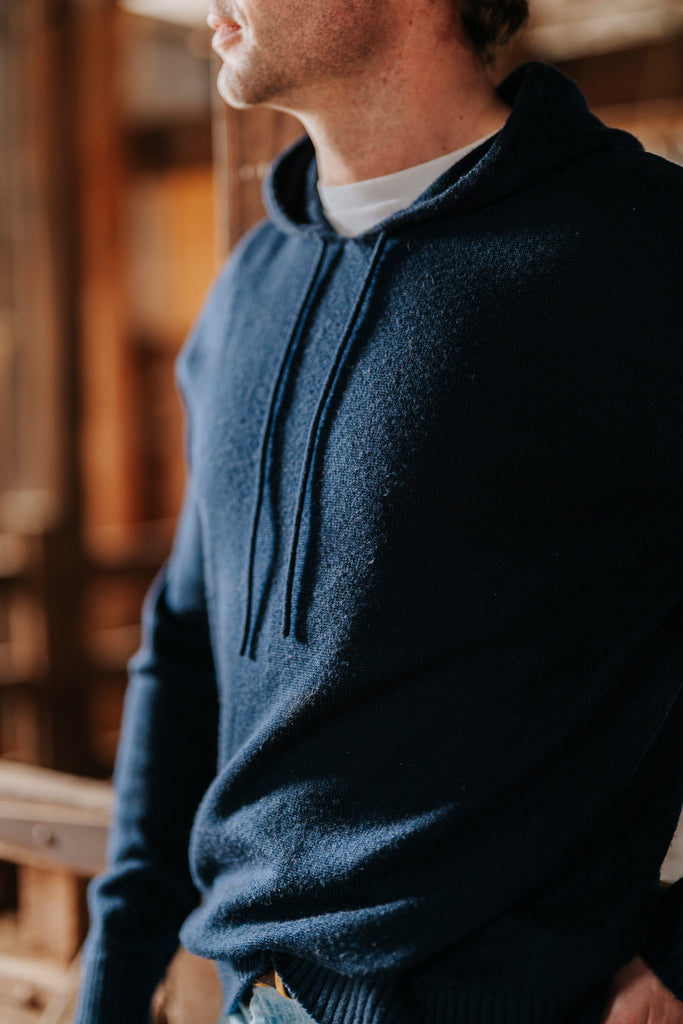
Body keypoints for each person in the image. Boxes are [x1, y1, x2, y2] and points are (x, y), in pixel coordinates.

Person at [73, 0, 683, 1022]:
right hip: (254, 1002)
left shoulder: (638, 252)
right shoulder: (244, 292)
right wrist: (112, 982)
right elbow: (182, 649)